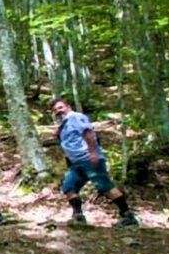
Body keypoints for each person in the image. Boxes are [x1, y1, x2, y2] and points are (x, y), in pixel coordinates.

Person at [51, 97, 138, 227]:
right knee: (69, 187)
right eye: (55, 110)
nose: (58, 111)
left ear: (68, 107)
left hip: (88, 158)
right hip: (76, 163)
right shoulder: (65, 123)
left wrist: (93, 153)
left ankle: (128, 216)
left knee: (105, 186)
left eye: (60, 107)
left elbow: (88, 133)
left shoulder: (76, 117)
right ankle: (78, 216)